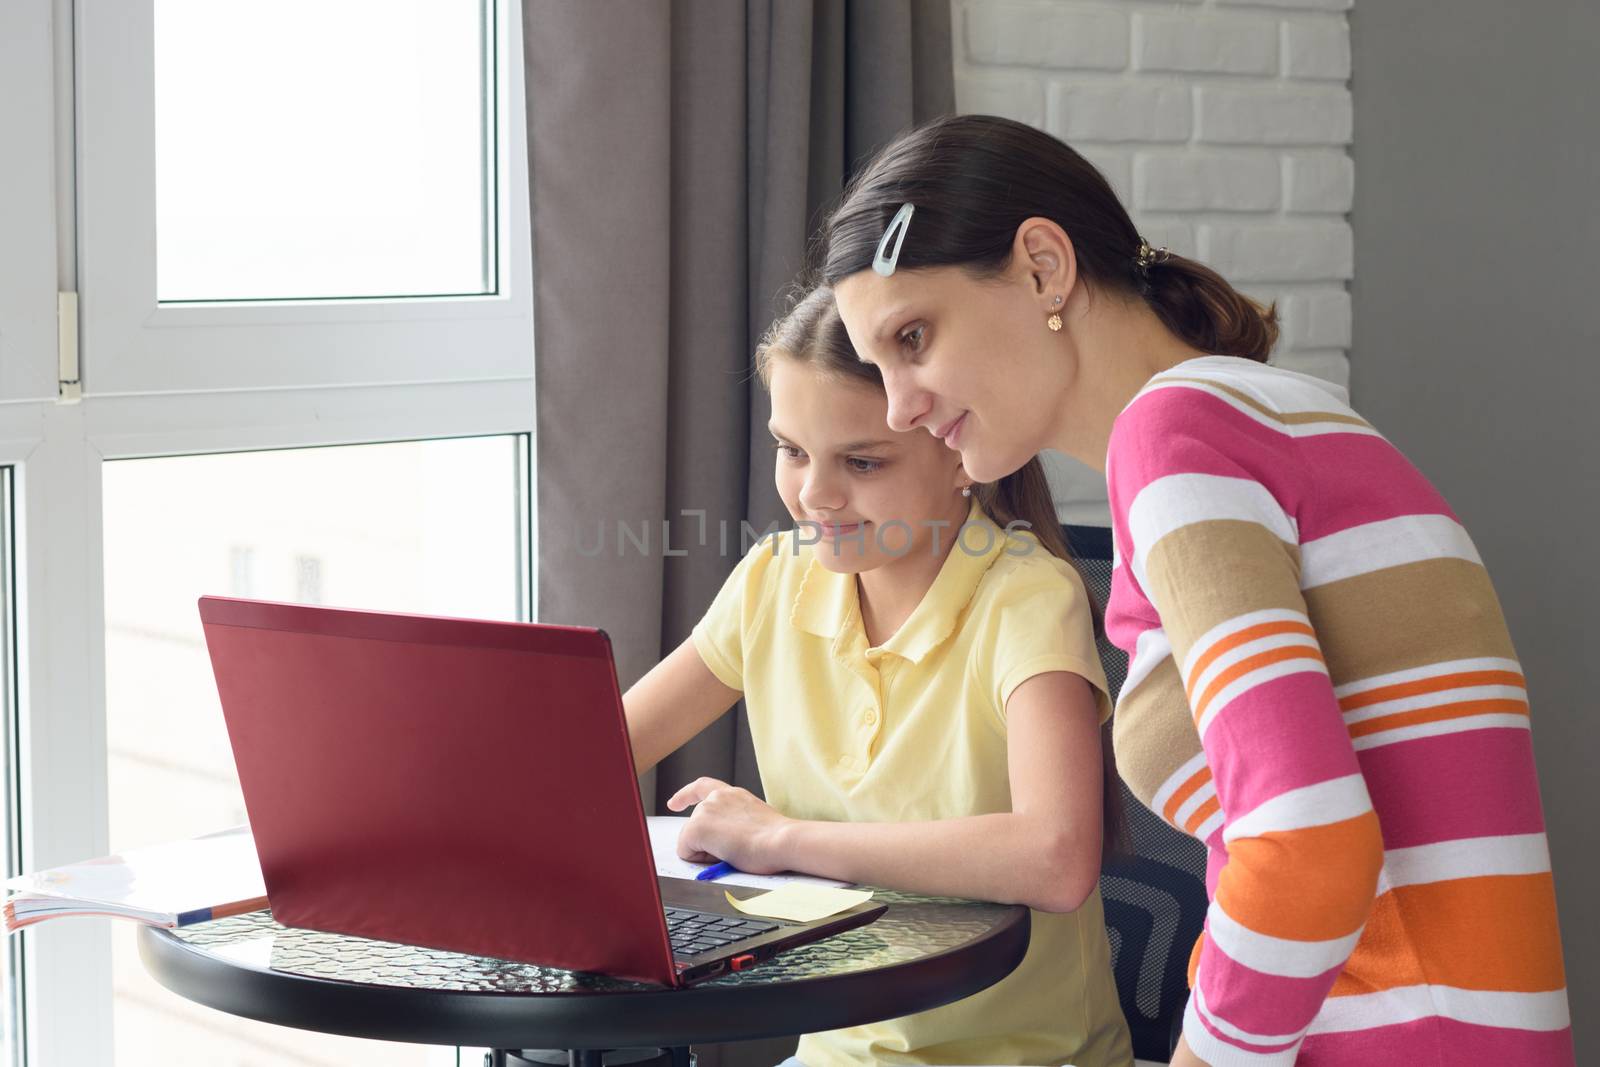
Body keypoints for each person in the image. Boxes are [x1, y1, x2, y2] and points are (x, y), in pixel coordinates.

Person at [818, 114, 1573, 1067]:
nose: (898, 405)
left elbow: (1309, 845)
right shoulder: (1266, 411)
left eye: (914, 337)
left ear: (1044, 266)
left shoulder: (1175, 436)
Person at [623, 286, 1133, 1067]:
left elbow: (1056, 857)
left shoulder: (1027, 598)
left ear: (961, 451)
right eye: (792, 450)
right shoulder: (773, 579)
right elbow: (597, 758)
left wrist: (786, 839)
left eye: (861, 461)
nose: (815, 496)